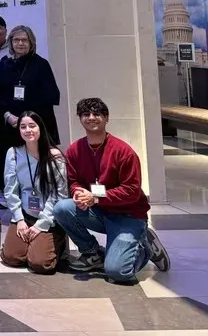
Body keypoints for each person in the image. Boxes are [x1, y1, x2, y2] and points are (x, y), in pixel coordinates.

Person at [53, 98, 170, 282]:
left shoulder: (123, 151)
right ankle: (91, 253)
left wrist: (96, 198)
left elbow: (132, 190)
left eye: (97, 114)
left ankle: (146, 246)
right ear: (79, 118)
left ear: (106, 118)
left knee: (117, 272)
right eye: (86, 114)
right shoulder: (75, 149)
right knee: (61, 208)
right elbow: (73, 181)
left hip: (127, 215)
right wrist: (78, 193)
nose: (91, 117)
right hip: (98, 212)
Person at [0, 26, 62, 205]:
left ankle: (43, 199)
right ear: (11, 42)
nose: (20, 43)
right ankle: (14, 200)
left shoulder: (41, 64)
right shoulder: (5, 64)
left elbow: (51, 95)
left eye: (24, 40)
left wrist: (26, 119)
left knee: (37, 165)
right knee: (14, 164)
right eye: (16, 40)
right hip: (11, 124)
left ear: (31, 42)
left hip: (36, 124)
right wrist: (7, 115)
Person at [0, 111, 68, 274]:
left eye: (32, 126)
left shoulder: (55, 156)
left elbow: (60, 194)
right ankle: (33, 245)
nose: (28, 130)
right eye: (23, 127)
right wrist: (19, 219)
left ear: (40, 128)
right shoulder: (14, 153)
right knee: (11, 257)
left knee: (40, 264)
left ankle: (57, 242)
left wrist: (41, 224)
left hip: (48, 217)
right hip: (25, 215)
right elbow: (10, 190)